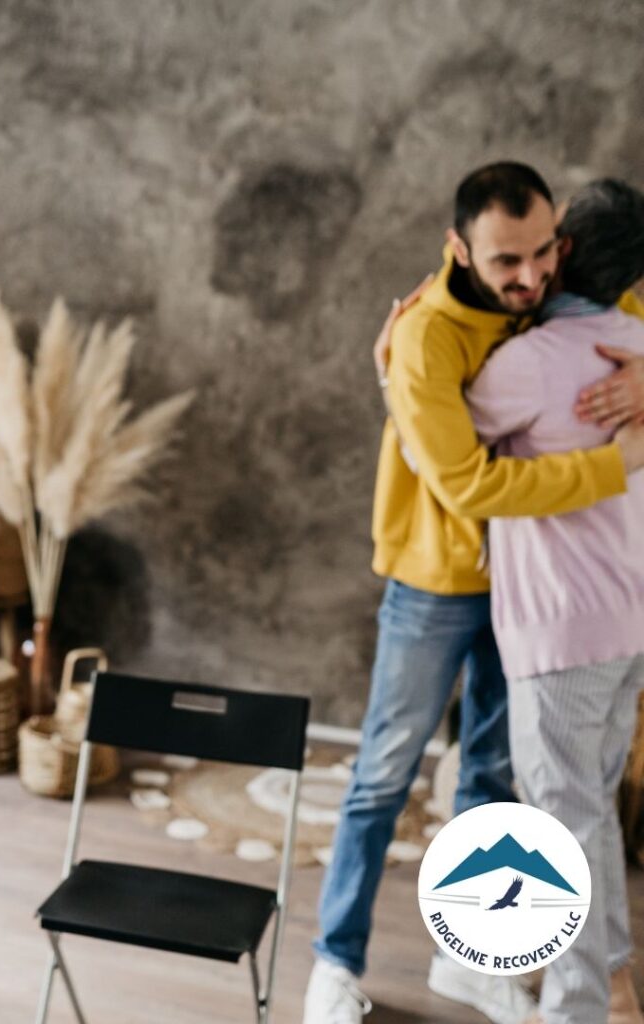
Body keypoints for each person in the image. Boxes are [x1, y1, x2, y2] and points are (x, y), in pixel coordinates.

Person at [302, 162, 644, 1024]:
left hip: (529, 591)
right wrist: (616, 461)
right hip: (436, 578)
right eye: (507, 262)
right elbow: (472, 486)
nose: (531, 277)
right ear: (460, 249)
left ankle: (473, 958)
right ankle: (334, 962)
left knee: (491, 780)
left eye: (544, 254)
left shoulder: (564, 302)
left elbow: (626, 323)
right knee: (385, 771)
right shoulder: (425, 335)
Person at [466, 178, 644, 1024]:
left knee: (560, 831)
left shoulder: (528, 364)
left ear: (564, 249)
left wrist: (395, 362)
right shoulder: (633, 344)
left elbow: (442, 435)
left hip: (563, 634)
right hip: (628, 625)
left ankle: (574, 1011)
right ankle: (615, 982)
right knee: (590, 810)